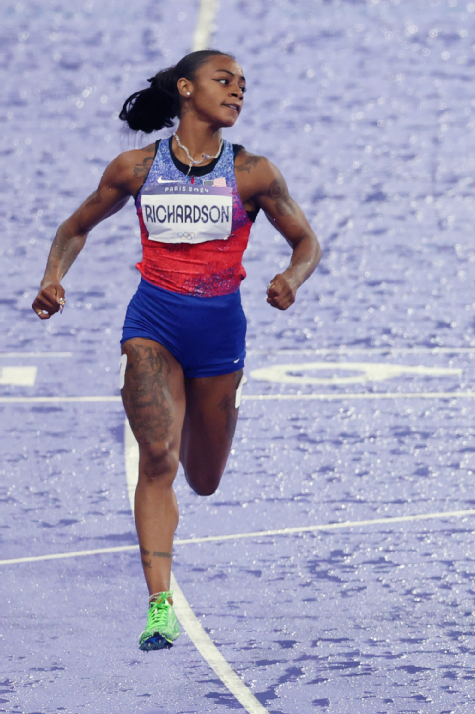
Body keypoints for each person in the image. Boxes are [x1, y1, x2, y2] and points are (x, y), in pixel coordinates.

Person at [31, 50, 322, 650]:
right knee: (158, 457)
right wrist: (53, 277)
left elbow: (306, 242)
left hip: (219, 338)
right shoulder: (136, 168)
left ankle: (198, 429)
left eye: (244, 84)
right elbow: (75, 227)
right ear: (187, 90)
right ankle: (159, 604)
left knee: (205, 478)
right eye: (224, 81)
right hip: (152, 326)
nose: (237, 91)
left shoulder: (254, 174)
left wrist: (291, 279)